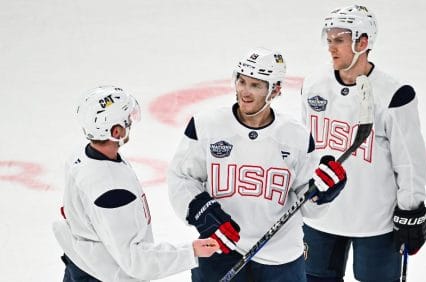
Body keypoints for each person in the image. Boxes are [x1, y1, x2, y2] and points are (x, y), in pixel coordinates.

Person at [167, 47, 348, 282]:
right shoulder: (205, 126)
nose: (245, 92)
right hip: (219, 248)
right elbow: (182, 179)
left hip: (280, 257)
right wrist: (206, 217)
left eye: (256, 85)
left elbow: (309, 207)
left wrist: (325, 192)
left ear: (275, 90)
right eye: (241, 81)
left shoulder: (296, 136)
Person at [300, 4, 426, 282]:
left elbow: (409, 161)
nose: (331, 48)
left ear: (363, 42)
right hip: (321, 215)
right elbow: (306, 148)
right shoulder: (313, 85)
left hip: (375, 222)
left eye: (340, 40)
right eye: (329, 40)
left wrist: (412, 210)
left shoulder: (394, 94)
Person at [52, 85, 219, 282]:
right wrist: (191, 252)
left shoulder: (79, 156)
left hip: (79, 264)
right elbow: (135, 262)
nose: (131, 122)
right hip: (101, 276)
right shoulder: (113, 191)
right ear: (115, 131)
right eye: (127, 120)